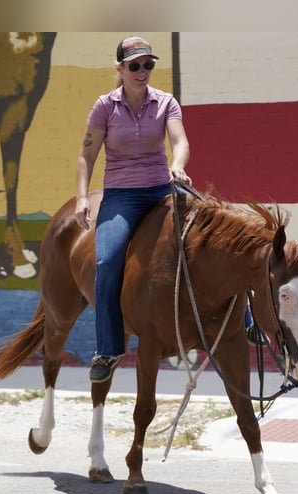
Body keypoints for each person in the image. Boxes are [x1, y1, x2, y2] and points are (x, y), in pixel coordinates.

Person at [75, 35, 192, 383]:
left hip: (161, 189)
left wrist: (179, 164)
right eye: (135, 66)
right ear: (120, 69)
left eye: (148, 65)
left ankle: (245, 322)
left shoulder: (165, 102)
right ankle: (109, 349)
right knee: (107, 260)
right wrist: (82, 197)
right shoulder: (104, 106)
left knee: (210, 234)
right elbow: (87, 154)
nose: (143, 72)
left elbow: (180, 141)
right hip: (122, 195)